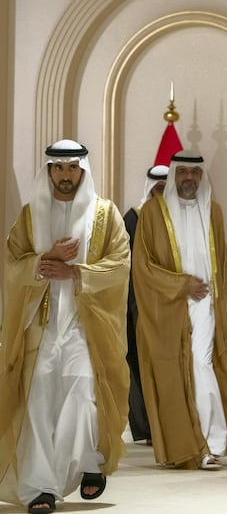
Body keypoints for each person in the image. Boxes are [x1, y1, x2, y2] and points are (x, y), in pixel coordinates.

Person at [0, 140, 130, 514]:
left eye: (72, 168)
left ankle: (89, 462)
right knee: (38, 397)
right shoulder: (29, 216)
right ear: (49, 171)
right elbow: (13, 264)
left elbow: (120, 265)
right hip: (40, 326)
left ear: (82, 171)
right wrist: (45, 260)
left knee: (85, 393)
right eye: (58, 168)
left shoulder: (105, 215)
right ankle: (41, 486)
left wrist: (75, 273)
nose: (65, 175)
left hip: (85, 325)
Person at [132, 150, 227, 470]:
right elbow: (143, 267)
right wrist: (180, 285)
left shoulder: (212, 211)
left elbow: (220, 265)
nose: (189, 178)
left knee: (202, 365)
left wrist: (218, 301)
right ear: (174, 175)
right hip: (168, 306)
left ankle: (211, 442)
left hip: (205, 304)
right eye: (183, 172)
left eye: (195, 172)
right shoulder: (151, 212)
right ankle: (186, 445)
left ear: (202, 176)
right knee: (174, 372)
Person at [123, 164, 168, 444]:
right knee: (140, 363)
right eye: (158, 189)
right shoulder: (133, 219)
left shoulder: (175, 218)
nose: (162, 194)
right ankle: (146, 427)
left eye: (166, 188)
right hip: (137, 303)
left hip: (168, 304)